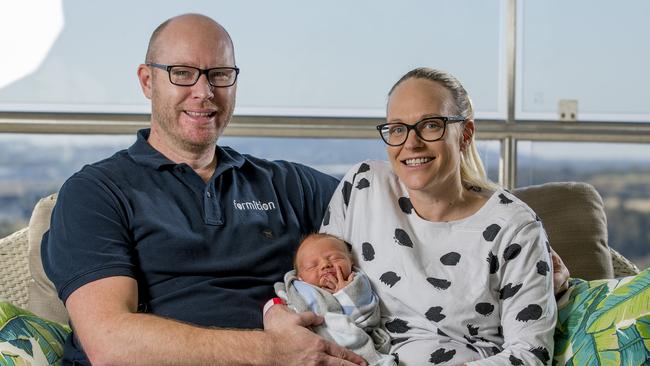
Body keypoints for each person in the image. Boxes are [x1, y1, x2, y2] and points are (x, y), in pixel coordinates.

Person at [41, 13, 368, 366]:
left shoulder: (288, 185)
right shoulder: (96, 193)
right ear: (147, 81)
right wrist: (275, 352)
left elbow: (394, 212)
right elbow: (109, 343)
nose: (204, 92)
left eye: (220, 75)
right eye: (183, 73)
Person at [319, 67, 557, 365]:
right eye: (397, 128)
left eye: (430, 125)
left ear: (465, 134)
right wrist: (278, 311)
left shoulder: (514, 226)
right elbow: (316, 284)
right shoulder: (364, 185)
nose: (411, 143)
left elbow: (530, 356)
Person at [274, 233, 396, 366]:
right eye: (312, 266)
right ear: (300, 277)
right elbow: (281, 312)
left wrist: (346, 293)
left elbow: (368, 318)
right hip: (309, 348)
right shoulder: (296, 289)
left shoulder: (356, 282)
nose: (325, 265)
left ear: (351, 261)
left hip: (353, 347)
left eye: (335, 258)